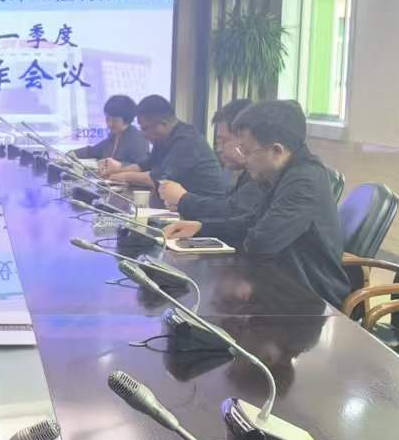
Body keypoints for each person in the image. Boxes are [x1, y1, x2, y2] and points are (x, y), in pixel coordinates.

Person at [163, 99, 347, 307]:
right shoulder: (287, 172)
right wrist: (201, 227)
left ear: (276, 151)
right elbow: (254, 221)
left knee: (207, 302)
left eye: (247, 151)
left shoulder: (304, 181)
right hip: (280, 283)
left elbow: (261, 242)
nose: (244, 159)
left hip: (310, 299)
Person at [103, 94, 227, 198]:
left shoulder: (186, 140)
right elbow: (144, 165)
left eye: (145, 128)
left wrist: (121, 176)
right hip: (183, 203)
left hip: (206, 207)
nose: (143, 135)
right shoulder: (162, 138)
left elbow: (157, 178)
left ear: (163, 123)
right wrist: (116, 171)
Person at [158, 98, 257, 219]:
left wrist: (183, 199)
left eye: (223, 141)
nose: (219, 149)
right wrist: (183, 205)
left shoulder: (261, 176)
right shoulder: (236, 171)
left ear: (244, 137)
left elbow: (232, 214)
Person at [73, 94, 149, 167]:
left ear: (127, 120)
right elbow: (92, 151)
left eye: (114, 120)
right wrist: (70, 155)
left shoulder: (138, 139)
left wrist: (119, 166)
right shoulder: (113, 136)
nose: (109, 124)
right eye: (107, 118)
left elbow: (142, 167)